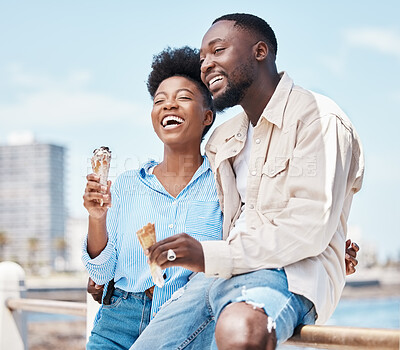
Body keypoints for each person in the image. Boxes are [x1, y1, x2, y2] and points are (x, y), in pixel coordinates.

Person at [129, 13, 364, 350]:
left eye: (218, 50)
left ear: (260, 51)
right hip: (217, 276)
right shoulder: (223, 138)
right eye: (202, 59)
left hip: (288, 275)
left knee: (242, 330)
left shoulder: (318, 118)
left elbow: (309, 228)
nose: (206, 65)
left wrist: (208, 255)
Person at [82, 46, 222, 349]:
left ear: (207, 116)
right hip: (118, 321)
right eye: (160, 100)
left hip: (189, 323)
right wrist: (97, 218)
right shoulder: (127, 185)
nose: (169, 105)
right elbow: (102, 272)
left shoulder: (223, 184)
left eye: (183, 98)